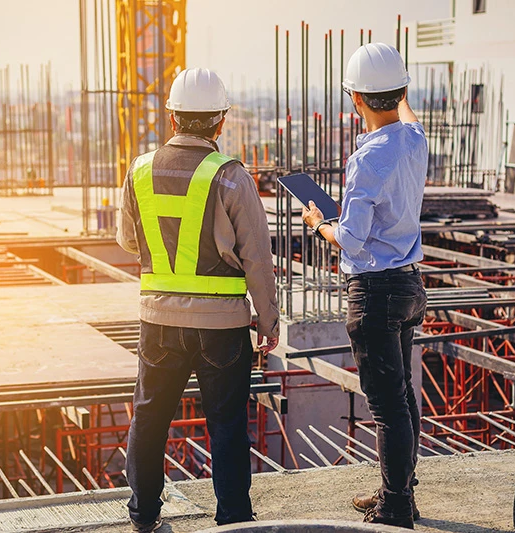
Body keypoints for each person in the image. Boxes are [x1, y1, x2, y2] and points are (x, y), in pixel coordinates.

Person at [116, 67, 279, 532]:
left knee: (149, 418)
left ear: (172, 117)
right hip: (222, 328)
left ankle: (143, 515)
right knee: (226, 426)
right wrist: (268, 320)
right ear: (220, 121)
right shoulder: (231, 176)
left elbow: (128, 240)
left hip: (158, 322)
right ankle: (233, 520)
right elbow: (257, 257)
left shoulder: (139, 169)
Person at [302, 42, 428, 530]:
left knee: (387, 406)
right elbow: (408, 116)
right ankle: (399, 493)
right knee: (402, 397)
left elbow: (352, 241)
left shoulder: (368, 158)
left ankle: (395, 506)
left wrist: (318, 223)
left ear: (355, 99)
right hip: (409, 285)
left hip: (375, 291)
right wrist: (399, 91)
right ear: (400, 92)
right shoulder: (414, 140)